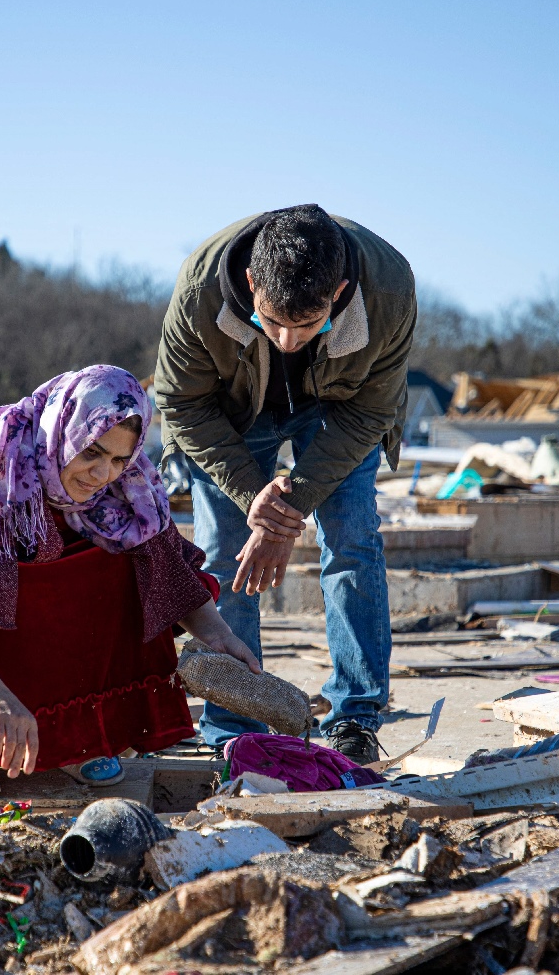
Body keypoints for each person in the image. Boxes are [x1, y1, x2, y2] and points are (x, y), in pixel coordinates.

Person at [0, 365, 260, 795]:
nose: (102, 475)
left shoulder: (130, 487)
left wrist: (218, 635)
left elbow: (167, 568)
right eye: (91, 452)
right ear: (62, 429)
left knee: (123, 560)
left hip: (46, 659)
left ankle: (75, 735)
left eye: (117, 459)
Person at [154, 204, 415, 764]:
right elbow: (180, 401)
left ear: (340, 290)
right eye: (271, 322)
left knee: (353, 540)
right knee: (224, 551)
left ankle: (356, 717)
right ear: (250, 284)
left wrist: (288, 507)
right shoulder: (200, 289)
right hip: (230, 415)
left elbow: (370, 414)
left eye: (308, 324)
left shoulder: (390, 291)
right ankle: (233, 722)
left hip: (339, 411)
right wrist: (256, 497)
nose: (288, 341)